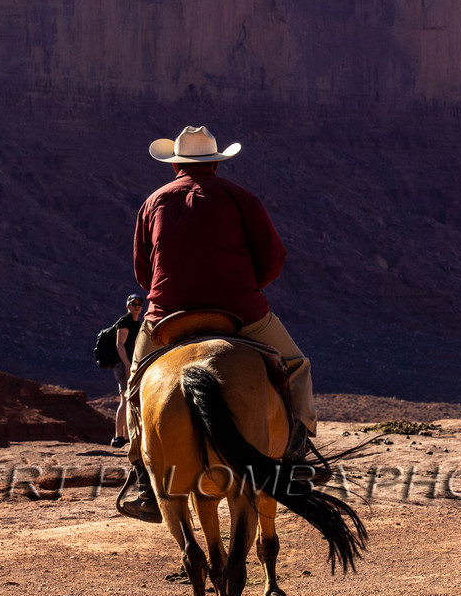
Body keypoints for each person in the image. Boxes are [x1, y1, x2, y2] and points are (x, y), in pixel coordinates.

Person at [117, 125, 317, 522]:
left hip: (165, 316)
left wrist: (169, 293)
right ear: (216, 162)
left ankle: (143, 476)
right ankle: (296, 456)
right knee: (296, 365)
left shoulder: (152, 202)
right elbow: (273, 259)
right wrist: (244, 289)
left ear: (174, 163)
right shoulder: (242, 198)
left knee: (138, 381)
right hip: (240, 311)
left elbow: (143, 271)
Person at [110, 295, 145, 448]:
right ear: (128, 306)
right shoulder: (125, 322)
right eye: (133, 304)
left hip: (132, 365)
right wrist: (127, 364)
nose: (137, 306)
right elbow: (120, 345)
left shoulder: (137, 323)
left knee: (129, 399)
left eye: (139, 304)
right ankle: (118, 437)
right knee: (124, 399)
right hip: (124, 365)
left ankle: (125, 436)